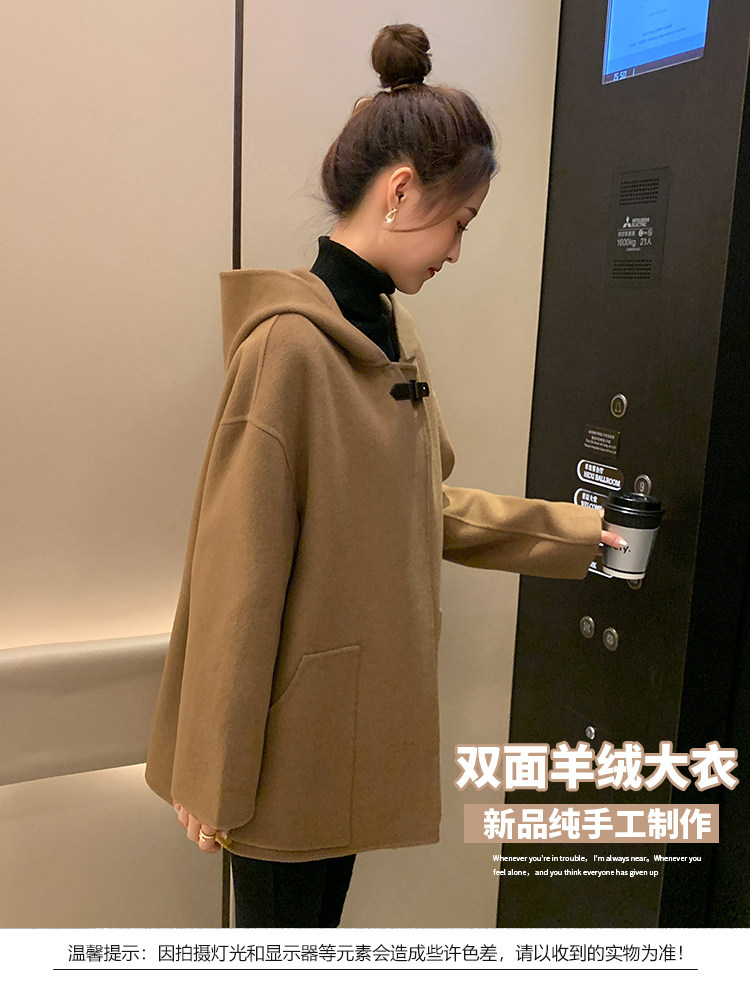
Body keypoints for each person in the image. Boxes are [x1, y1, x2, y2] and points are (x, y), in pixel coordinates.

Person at [144, 23, 626, 928]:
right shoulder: (288, 349)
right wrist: (210, 774)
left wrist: (574, 534)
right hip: (281, 763)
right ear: (402, 192)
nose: (456, 250)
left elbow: (418, 508)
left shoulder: (392, 335)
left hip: (350, 741)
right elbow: (236, 575)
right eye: (459, 222)